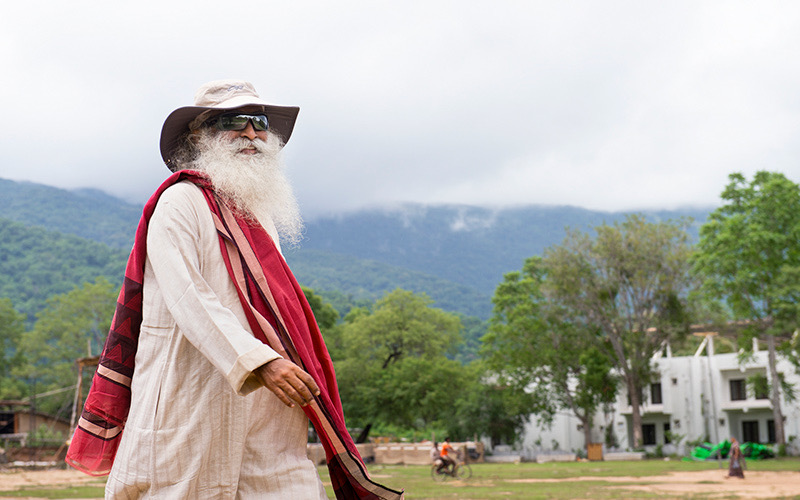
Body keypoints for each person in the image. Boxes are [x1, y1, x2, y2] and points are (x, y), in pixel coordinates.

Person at [65, 80, 402, 500]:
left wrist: (271, 365)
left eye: (258, 122)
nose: (250, 133)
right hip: (190, 402)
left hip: (266, 415)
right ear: (199, 136)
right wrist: (260, 362)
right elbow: (189, 297)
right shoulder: (180, 203)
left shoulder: (260, 217)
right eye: (233, 121)